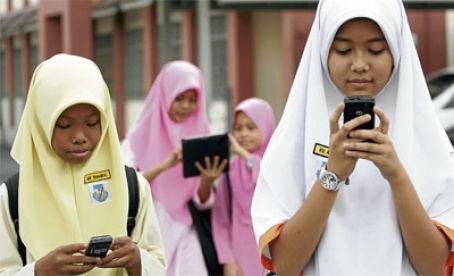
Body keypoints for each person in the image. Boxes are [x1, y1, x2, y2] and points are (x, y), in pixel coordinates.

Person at [250, 0, 454, 275]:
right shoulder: (290, 146)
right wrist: (332, 174)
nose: (359, 64)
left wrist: (396, 175)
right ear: (323, 52)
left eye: (375, 49)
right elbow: (286, 265)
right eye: (344, 50)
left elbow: (433, 268)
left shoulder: (432, 148)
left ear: (396, 51)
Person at [0, 53, 166, 275]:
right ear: (40, 123)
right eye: (63, 125)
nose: (79, 136)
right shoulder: (12, 198)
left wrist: (137, 260)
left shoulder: (132, 187)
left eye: (92, 122)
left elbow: (159, 265)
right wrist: (38, 271)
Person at [121, 60, 228, 275]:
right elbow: (125, 186)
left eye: (193, 99)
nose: (186, 106)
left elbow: (202, 201)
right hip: (150, 230)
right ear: (164, 95)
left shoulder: (202, 133)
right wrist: (164, 166)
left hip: (188, 233)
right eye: (179, 98)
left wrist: (207, 180)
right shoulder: (138, 137)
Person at [211, 98, 276, 276]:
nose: (243, 134)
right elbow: (221, 220)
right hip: (240, 256)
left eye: (251, 127)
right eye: (238, 128)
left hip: (274, 253)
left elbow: (269, 180)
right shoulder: (231, 170)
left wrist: (241, 153)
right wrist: (228, 260)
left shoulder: (278, 162)